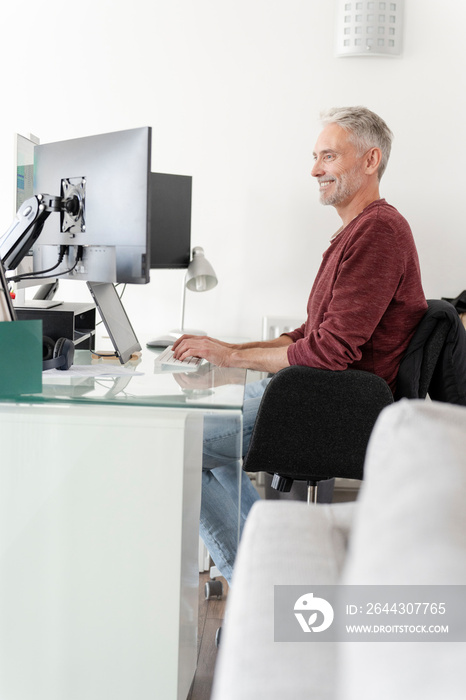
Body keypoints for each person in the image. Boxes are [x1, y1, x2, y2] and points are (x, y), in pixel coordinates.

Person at [172, 106, 427, 583]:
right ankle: (267, 570)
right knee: (198, 441)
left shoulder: (380, 231)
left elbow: (330, 352)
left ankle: (257, 585)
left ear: (370, 160)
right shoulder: (355, 231)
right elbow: (308, 335)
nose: (314, 170)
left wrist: (230, 358)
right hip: (312, 394)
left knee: (173, 445)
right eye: (315, 157)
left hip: (329, 405)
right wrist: (227, 347)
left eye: (328, 157)